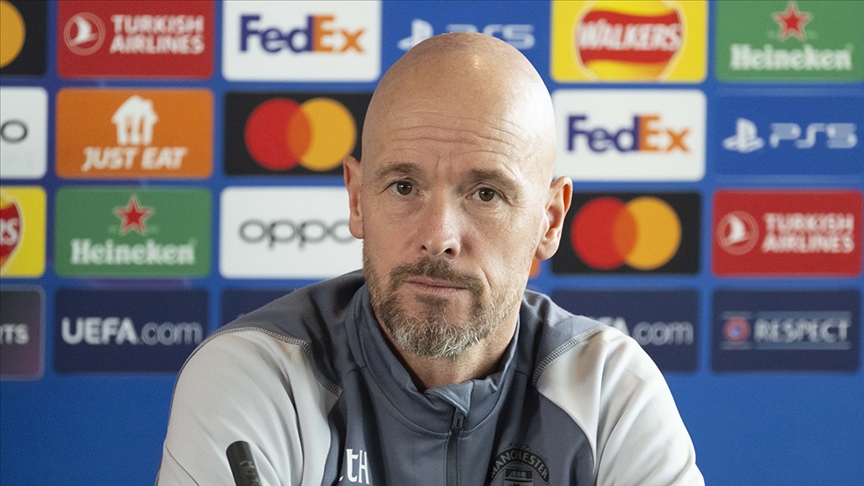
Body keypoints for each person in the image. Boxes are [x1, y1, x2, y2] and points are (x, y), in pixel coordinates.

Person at [156, 33, 703, 485]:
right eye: (403, 186)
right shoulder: (259, 376)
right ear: (357, 200)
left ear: (550, 220)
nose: (438, 236)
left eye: (485, 193)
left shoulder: (608, 392)